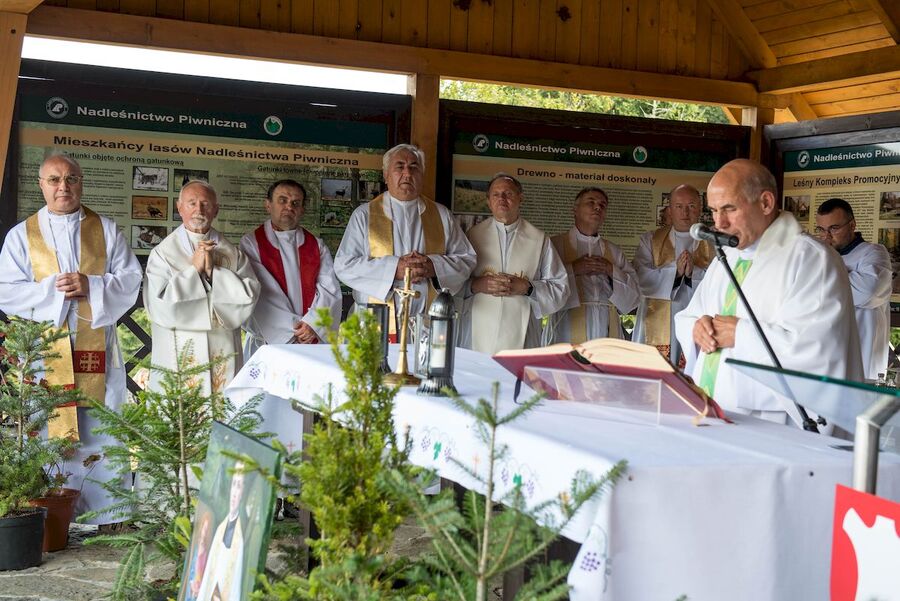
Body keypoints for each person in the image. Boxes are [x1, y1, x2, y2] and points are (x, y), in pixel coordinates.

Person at [0, 153, 142, 523]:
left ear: (81, 182)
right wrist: (54, 291)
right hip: (45, 354)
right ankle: (49, 518)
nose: (63, 186)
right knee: (49, 428)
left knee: (101, 428)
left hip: (95, 349)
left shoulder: (105, 229)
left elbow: (131, 279)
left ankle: (106, 515)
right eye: (54, 179)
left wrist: (91, 284)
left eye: (71, 179)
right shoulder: (22, 235)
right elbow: (5, 289)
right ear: (41, 185)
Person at [674, 159, 863, 424]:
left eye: (729, 209)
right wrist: (697, 328)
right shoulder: (726, 256)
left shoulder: (811, 259)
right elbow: (690, 315)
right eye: (714, 211)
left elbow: (818, 351)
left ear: (765, 203)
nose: (719, 223)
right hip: (714, 408)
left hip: (772, 422)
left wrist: (740, 334)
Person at [333, 144, 475, 338]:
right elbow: (344, 265)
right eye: (399, 167)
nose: (407, 173)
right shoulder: (364, 215)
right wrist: (394, 269)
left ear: (422, 175)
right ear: (386, 175)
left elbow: (466, 259)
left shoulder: (442, 215)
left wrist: (433, 267)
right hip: (375, 322)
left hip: (427, 325)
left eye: (414, 167)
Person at [144, 180, 260, 393]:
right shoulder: (162, 253)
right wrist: (194, 271)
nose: (199, 209)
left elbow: (249, 296)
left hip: (222, 348)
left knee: (221, 404)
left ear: (216, 210)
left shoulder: (232, 253)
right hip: (179, 350)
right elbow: (159, 305)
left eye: (205, 204)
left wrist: (214, 273)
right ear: (179, 207)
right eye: (192, 203)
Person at [459, 173, 569, 354]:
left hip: (524, 334)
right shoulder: (471, 236)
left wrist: (528, 288)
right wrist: (476, 285)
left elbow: (560, 289)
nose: (501, 199)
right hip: (475, 331)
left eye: (508, 193)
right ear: (488, 201)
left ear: (520, 198)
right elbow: (452, 282)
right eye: (496, 194)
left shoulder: (539, 239)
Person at [241, 179, 342, 356]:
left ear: (302, 209)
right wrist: (293, 329)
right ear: (268, 205)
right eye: (282, 200)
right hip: (268, 342)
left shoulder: (316, 245)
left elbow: (329, 289)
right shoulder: (252, 243)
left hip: (310, 339)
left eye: (296, 203)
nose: (289, 207)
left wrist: (313, 324)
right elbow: (261, 293)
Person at [633, 185, 713, 364]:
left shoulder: (712, 242)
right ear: (669, 209)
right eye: (679, 206)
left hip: (697, 317)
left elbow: (720, 280)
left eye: (691, 206)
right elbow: (640, 275)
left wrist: (693, 272)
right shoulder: (651, 239)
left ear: (700, 208)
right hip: (657, 316)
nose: (685, 212)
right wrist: (675, 272)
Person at [548, 187, 640, 343]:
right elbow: (543, 286)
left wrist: (611, 270)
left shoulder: (614, 251)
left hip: (607, 323)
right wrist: (574, 269)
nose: (598, 207)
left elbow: (634, 297)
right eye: (591, 202)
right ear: (575, 209)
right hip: (566, 323)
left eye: (602, 205)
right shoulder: (555, 245)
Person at [815, 198, 893, 381]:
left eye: (834, 228)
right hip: (825, 358)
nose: (826, 236)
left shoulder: (873, 253)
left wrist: (817, 280)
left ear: (852, 225)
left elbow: (867, 292)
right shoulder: (820, 256)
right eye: (821, 229)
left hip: (862, 359)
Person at [195, 464, 248, 601]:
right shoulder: (220, 529)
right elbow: (210, 575)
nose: (234, 493)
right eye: (234, 484)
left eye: (239, 486)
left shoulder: (241, 536)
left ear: (243, 493)